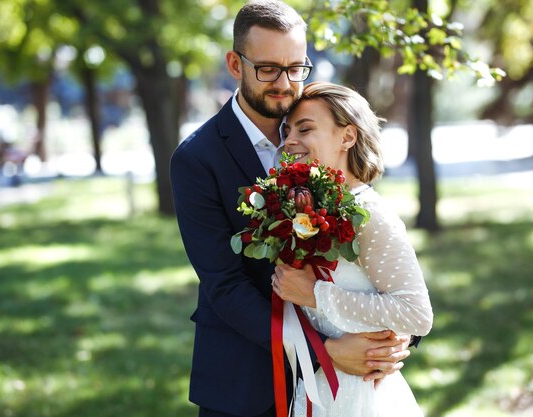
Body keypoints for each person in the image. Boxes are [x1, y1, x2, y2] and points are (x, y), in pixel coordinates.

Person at [170, 1, 414, 416]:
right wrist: (325, 353)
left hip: (353, 377)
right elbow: (225, 286)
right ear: (235, 63)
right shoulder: (197, 159)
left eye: (296, 68)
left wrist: (391, 337)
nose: (284, 83)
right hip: (245, 381)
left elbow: (375, 249)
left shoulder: (327, 132)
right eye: (268, 69)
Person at [272, 81, 434, 417]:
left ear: (347, 136)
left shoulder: (370, 213)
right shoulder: (309, 213)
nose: (289, 141)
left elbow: (417, 314)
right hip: (320, 388)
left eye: (305, 128)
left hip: (362, 396)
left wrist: (316, 294)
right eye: (287, 131)